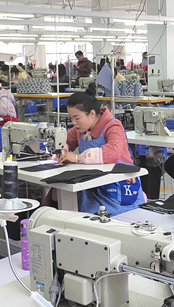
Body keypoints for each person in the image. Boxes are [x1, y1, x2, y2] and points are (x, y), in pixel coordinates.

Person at [57, 86, 141, 215]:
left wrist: (77, 158)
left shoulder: (113, 126)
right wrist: (62, 151)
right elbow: (65, 141)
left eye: (77, 118)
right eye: (71, 118)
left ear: (92, 114)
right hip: (95, 183)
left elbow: (113, 152)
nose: (73, 123)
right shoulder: (81, 129)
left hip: (118, 185)